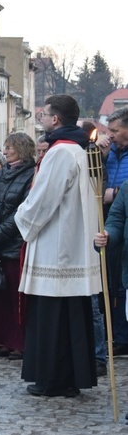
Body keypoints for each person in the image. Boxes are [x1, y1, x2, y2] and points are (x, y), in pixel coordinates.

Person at [15, 94, 100, 397]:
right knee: (70, 316)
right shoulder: (75, 147)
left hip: (57, 247)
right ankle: (69, 378)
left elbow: (44, 200)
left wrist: (20, 217)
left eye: (45, 113)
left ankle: (52, 379)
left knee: (53, 317)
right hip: (69, 243)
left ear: (56, 120)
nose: (40, 115)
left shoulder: (61, 152)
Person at [0, 133, 36, 360]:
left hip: (13, 245)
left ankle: (18, 342)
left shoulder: (30, 175)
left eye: (9, 147)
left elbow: (21, 213)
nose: (6, 151)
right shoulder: (2, 173)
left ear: (20, 148)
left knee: (15, 298)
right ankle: (1, 340)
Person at [97, 107, 128, 357]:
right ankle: (116, 334)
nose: (112, 135)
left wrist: (116, 194)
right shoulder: (111, 152)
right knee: (113, 280)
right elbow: (97, 181)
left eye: (115, 130)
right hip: (112, 219)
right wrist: (102, 157)